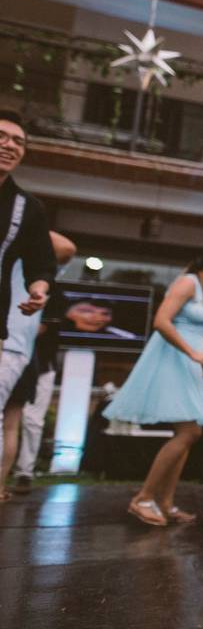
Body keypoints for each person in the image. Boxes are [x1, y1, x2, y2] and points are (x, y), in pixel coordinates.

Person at [103, 245, 203, 526]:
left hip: (192, 361)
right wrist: (192, 352)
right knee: (189, 431)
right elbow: (162, 321)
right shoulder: (188, 282)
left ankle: (164, 502)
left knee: (190, 432)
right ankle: (143, 498)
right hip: (174, 360)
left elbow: (188, 324)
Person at [0, 110, 57, 478]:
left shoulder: (27, 207)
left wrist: (38, 290)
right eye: (3, 137)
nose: (9, 145)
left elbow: (42, 263)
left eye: (18, 141)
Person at [2, 232, 74, 497]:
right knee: (11, 422)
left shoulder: (31, 265)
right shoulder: (24, 265)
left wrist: (25, 221)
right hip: (22, 350)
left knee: (15, 421)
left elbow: (66, 247)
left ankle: (13, 478)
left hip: (19, 350)